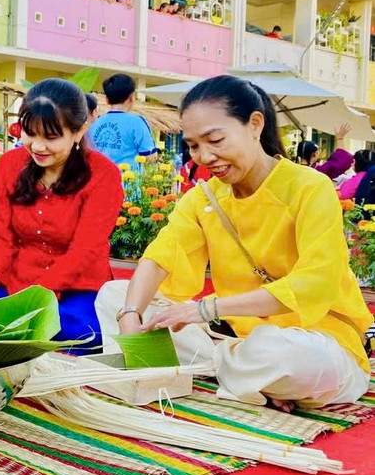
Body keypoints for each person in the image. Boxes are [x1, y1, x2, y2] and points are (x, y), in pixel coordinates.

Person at [99, 75, 372, 411]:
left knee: (286, 355)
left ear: (254, 125)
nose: (205, 156)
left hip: (319, 342)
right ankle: (238, 373)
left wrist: (206, 309)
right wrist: (131, 315)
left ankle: (226, 368)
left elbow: (315, 283)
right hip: (234, 338)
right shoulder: (204, 198)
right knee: (114, 296)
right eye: (194, 145)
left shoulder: (309, 187)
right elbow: (159, 258)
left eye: (215, 139)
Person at [0, 79, 123, 344]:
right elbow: (3, 236)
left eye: (51, 137)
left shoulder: (103, 175)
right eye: (29, 133)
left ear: (79, 131)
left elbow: (84, 251)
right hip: (13, 280)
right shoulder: (10, 164)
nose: (38, 147)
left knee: (80, 335)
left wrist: (29, 301)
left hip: (77, 288)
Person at [88, 74, 158, 167]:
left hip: (101, 179)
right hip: (127, 180)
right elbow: (151, 157)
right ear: (132, 97)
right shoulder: (137, 123)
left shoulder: (95, 124)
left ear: (107, 100)